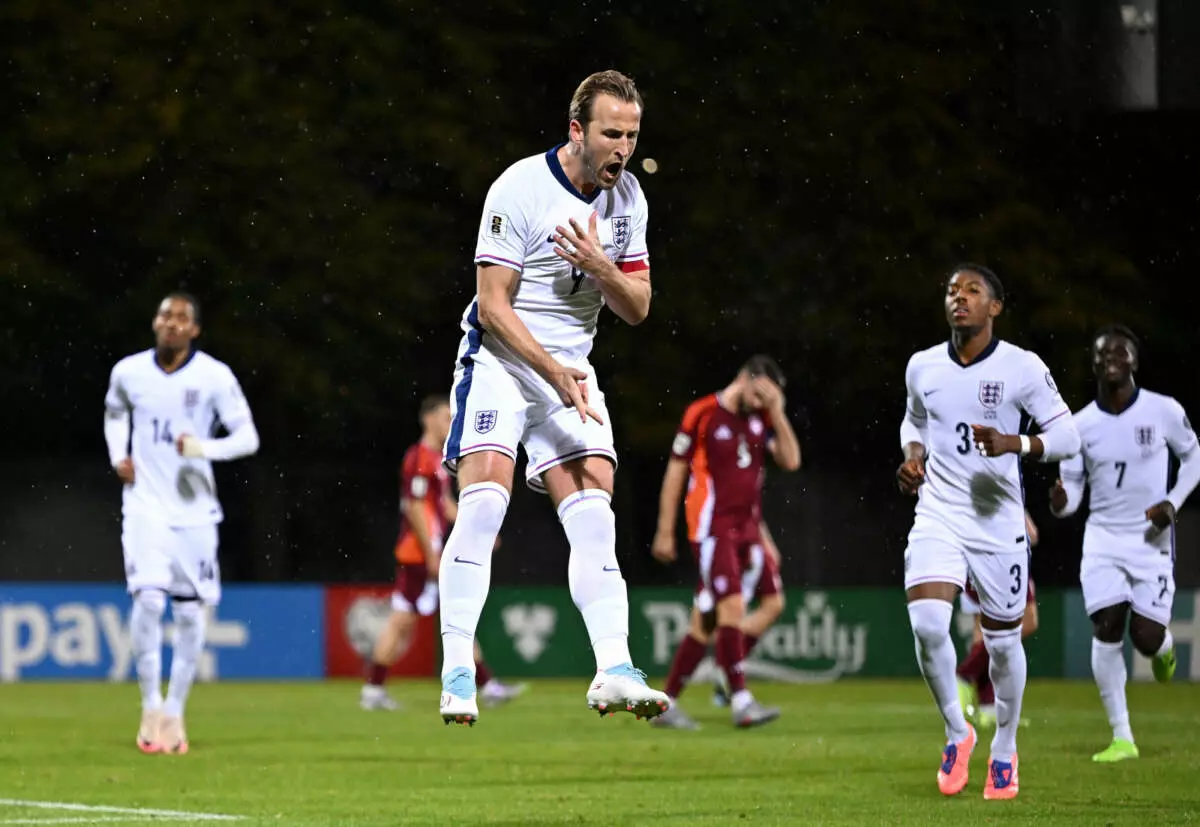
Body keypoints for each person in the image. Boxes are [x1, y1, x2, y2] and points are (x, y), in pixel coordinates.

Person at [435, 70, 668, 725]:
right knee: (483, 505)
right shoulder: (519, 187)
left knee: (596, 518)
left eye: (632, 134)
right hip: (502, 363)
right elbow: (492, 305)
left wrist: (600, 266)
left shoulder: (628, 202)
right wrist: (550, 370)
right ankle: (457, 668)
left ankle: (614, 669)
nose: (623, 147)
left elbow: (640, 306)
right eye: (611, 133)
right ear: (578, 130)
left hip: (571, 369)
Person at [896, 264, 1079, 800]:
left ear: (995, 307)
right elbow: (914, 422)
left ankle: (1005, 747)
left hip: (998, 522)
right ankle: (958, 731)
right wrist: (911, 459)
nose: (960, 298)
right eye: (952, 289)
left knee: (1002, 645)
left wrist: (1016, 444)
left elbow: (1067, 436)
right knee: (929, 625)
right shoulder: (923, 365)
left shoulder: (1021, 367)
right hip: (938, 513)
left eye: (973, 291)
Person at [103, 292, 260, 754]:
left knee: (190, 613)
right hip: (145, 506)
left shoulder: (214, 376)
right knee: (149, 601)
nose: (172, 322)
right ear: (155, 322)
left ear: (194, 330)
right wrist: (118, 456)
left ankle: (175, 711)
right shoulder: (128, 372)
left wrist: (204, 449)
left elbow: (247, 437)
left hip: (195, 513)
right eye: (165, 315)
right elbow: (114, 414)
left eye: (182, 317)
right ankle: (150, 704)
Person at [1049, 324, 1200, 762]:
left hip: (1150, 540)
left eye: (1119, 352)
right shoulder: (1079, 427)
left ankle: (1164, 650)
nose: (1110, 358)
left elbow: (1194, 457)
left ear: (1134, 361)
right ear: (1093, 364)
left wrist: (1172, 502)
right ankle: (1122, 737)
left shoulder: (1163, 411)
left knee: (1146, 637)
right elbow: (1072, 497)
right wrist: (1060, 502)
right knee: (1107, 625)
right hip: (1102, 539)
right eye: (1101, 354)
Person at [649, 356, 800, 729]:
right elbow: (675, 473)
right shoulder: (702, 414)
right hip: (712, 529)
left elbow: (791, 461)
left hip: (749, 531)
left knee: (737, 612)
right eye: (761, 395)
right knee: (730, 608)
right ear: (746, 379)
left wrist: (778, 413)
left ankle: (678, 698)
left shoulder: (760, 417)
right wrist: (665, 529)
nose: (763, 403)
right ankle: (741, 699)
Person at [360, 395, 524, 711]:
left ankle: (487, 685)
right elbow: (416, 507)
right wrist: (432, 553)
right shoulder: (419, 457)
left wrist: (479, 530)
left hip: (428, 553)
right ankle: (373, 690)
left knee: (454, 613)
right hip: (418, 555)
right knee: (402, 621)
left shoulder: (435, 459)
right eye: (445, 417)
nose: (450, 423)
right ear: (428, 419)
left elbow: (443, 506)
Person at [957, 510, 1040, 728]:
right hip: (1002, 560)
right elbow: (1032, 534)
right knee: (1021, 624)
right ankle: (965, 675)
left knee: (982, 634)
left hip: (976, 560)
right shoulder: (1002, 484)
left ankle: (987, 707)